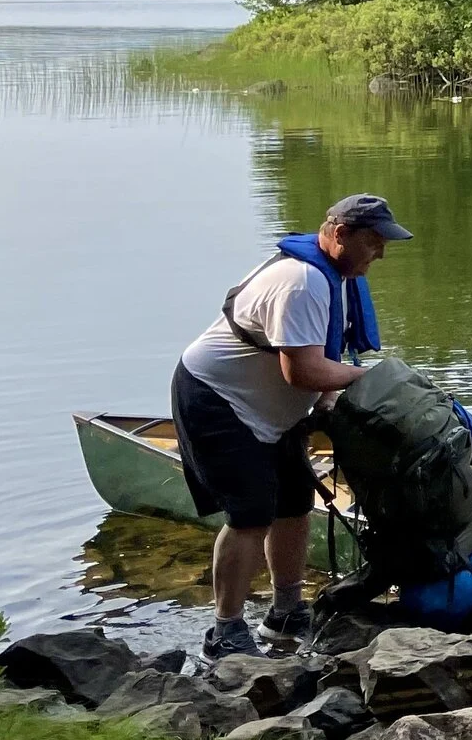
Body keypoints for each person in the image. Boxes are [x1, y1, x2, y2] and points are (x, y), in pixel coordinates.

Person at [174, 194, 409, 657]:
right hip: (218, 402)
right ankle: (225, 632)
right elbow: (301, 372)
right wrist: (375, 378)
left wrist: (329, 403)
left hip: (273, 409)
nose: (380, 252)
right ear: (339, 234)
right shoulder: (301, 281)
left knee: (293, 504)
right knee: (249, 516)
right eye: (374, 241)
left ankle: (286, 611)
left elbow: (324, 361)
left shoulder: (336, 276)